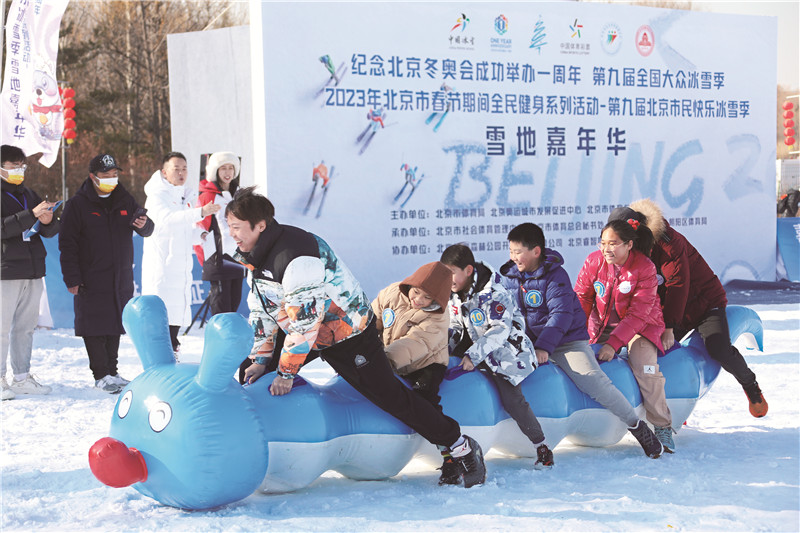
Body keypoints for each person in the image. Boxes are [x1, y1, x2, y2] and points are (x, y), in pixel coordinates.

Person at [227, 187, 486, 488]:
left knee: (389, 396)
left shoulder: (296, 257)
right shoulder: (257, 256)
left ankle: (459, 445)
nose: (232, 234)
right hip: (310, 331)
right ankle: (243, 447)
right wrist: (261, 358)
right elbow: (261, 309)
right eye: (229, 226)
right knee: (250, 369)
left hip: (347, 334)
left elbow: (306, 323)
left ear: (260, 225)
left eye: (236, 227)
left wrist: (286, 373)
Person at [499, 223, 663, 459]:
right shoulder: (508, 277)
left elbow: (561, 315)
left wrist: (544, 346)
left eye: (518, 252)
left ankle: (637, 426)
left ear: (536, 251)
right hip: (527, 341)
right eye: (511, 251)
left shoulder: (555, 276)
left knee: (593, 380)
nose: (513, 257)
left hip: (565, 341)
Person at [611, 199, 768, 417]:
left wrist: (668, 327)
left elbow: (678, 286)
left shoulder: (668, 243)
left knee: (718, 349)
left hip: (704, 303)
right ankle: (673, 403)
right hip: (669, 308)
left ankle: (750, 385)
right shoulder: (622, 251)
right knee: (651, 352)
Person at [440, 243, 555, 475]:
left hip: (505, 353)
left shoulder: (494, 293)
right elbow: (455, 325)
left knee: (512, 399)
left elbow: (500, 330)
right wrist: (442, 348)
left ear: (468, 270)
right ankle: (449, 456)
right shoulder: (453, 293)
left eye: (451, 272)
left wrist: (472, 355)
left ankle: (541, 445)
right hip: (475, 344)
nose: (447, 278)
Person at [574, 219, 675, 452]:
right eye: (603, 243)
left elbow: (638, 314)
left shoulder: (644, 267)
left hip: (642, 327)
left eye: (613, 243)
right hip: (601, 327)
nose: (606, 249)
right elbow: (582, 298)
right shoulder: (594, 261)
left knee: (645, 369)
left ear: (629, 244)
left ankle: (662, 425)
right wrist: (575, 332)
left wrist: (613, 344)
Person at [59, 153, 154, 393]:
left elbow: (147, 225)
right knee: (94, 325)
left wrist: (145, 225)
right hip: (90, 277)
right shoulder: (77, 205)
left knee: (115, 323)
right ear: (93, 177)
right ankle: (101, 374)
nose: (112, 179)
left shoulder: (124, 199)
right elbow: (67, 244)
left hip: (120, 276)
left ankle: (113, 371)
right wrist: (72, 278)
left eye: (114, 174)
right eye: (106, 175)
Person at [142, 152, 220, 356]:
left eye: (184, 168)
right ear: (164, 172)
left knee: (176, 316)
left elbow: (183, 229)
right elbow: (167, 220)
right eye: (176, 169)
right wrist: (200, 213)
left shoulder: (185, 196)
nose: (181, 173)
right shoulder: (157, 196)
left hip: (180, 268)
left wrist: (200, 234)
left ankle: (172, 353)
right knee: (162, 317)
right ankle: (160, 359)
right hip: (163, 267)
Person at [1, 145, 58, 399]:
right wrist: (30, 215)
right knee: (1, 328)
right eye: (14, 166)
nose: (19, 170)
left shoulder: (29, 193)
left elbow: (48, 232)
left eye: (22, 166)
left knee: (25, 328)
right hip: (5, 270)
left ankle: (22, 377)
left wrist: (49, 221)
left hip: (32, 269)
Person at [194, 151, 245, 317]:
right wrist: (207, 259)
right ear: (215, 171)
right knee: (221, 310)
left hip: (237, 258)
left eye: (231, 168)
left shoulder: (238, 196)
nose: (227, 172)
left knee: (234, 305)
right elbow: (199, 230)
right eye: (223, 168)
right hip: (217, 259)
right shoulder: (207, 196)